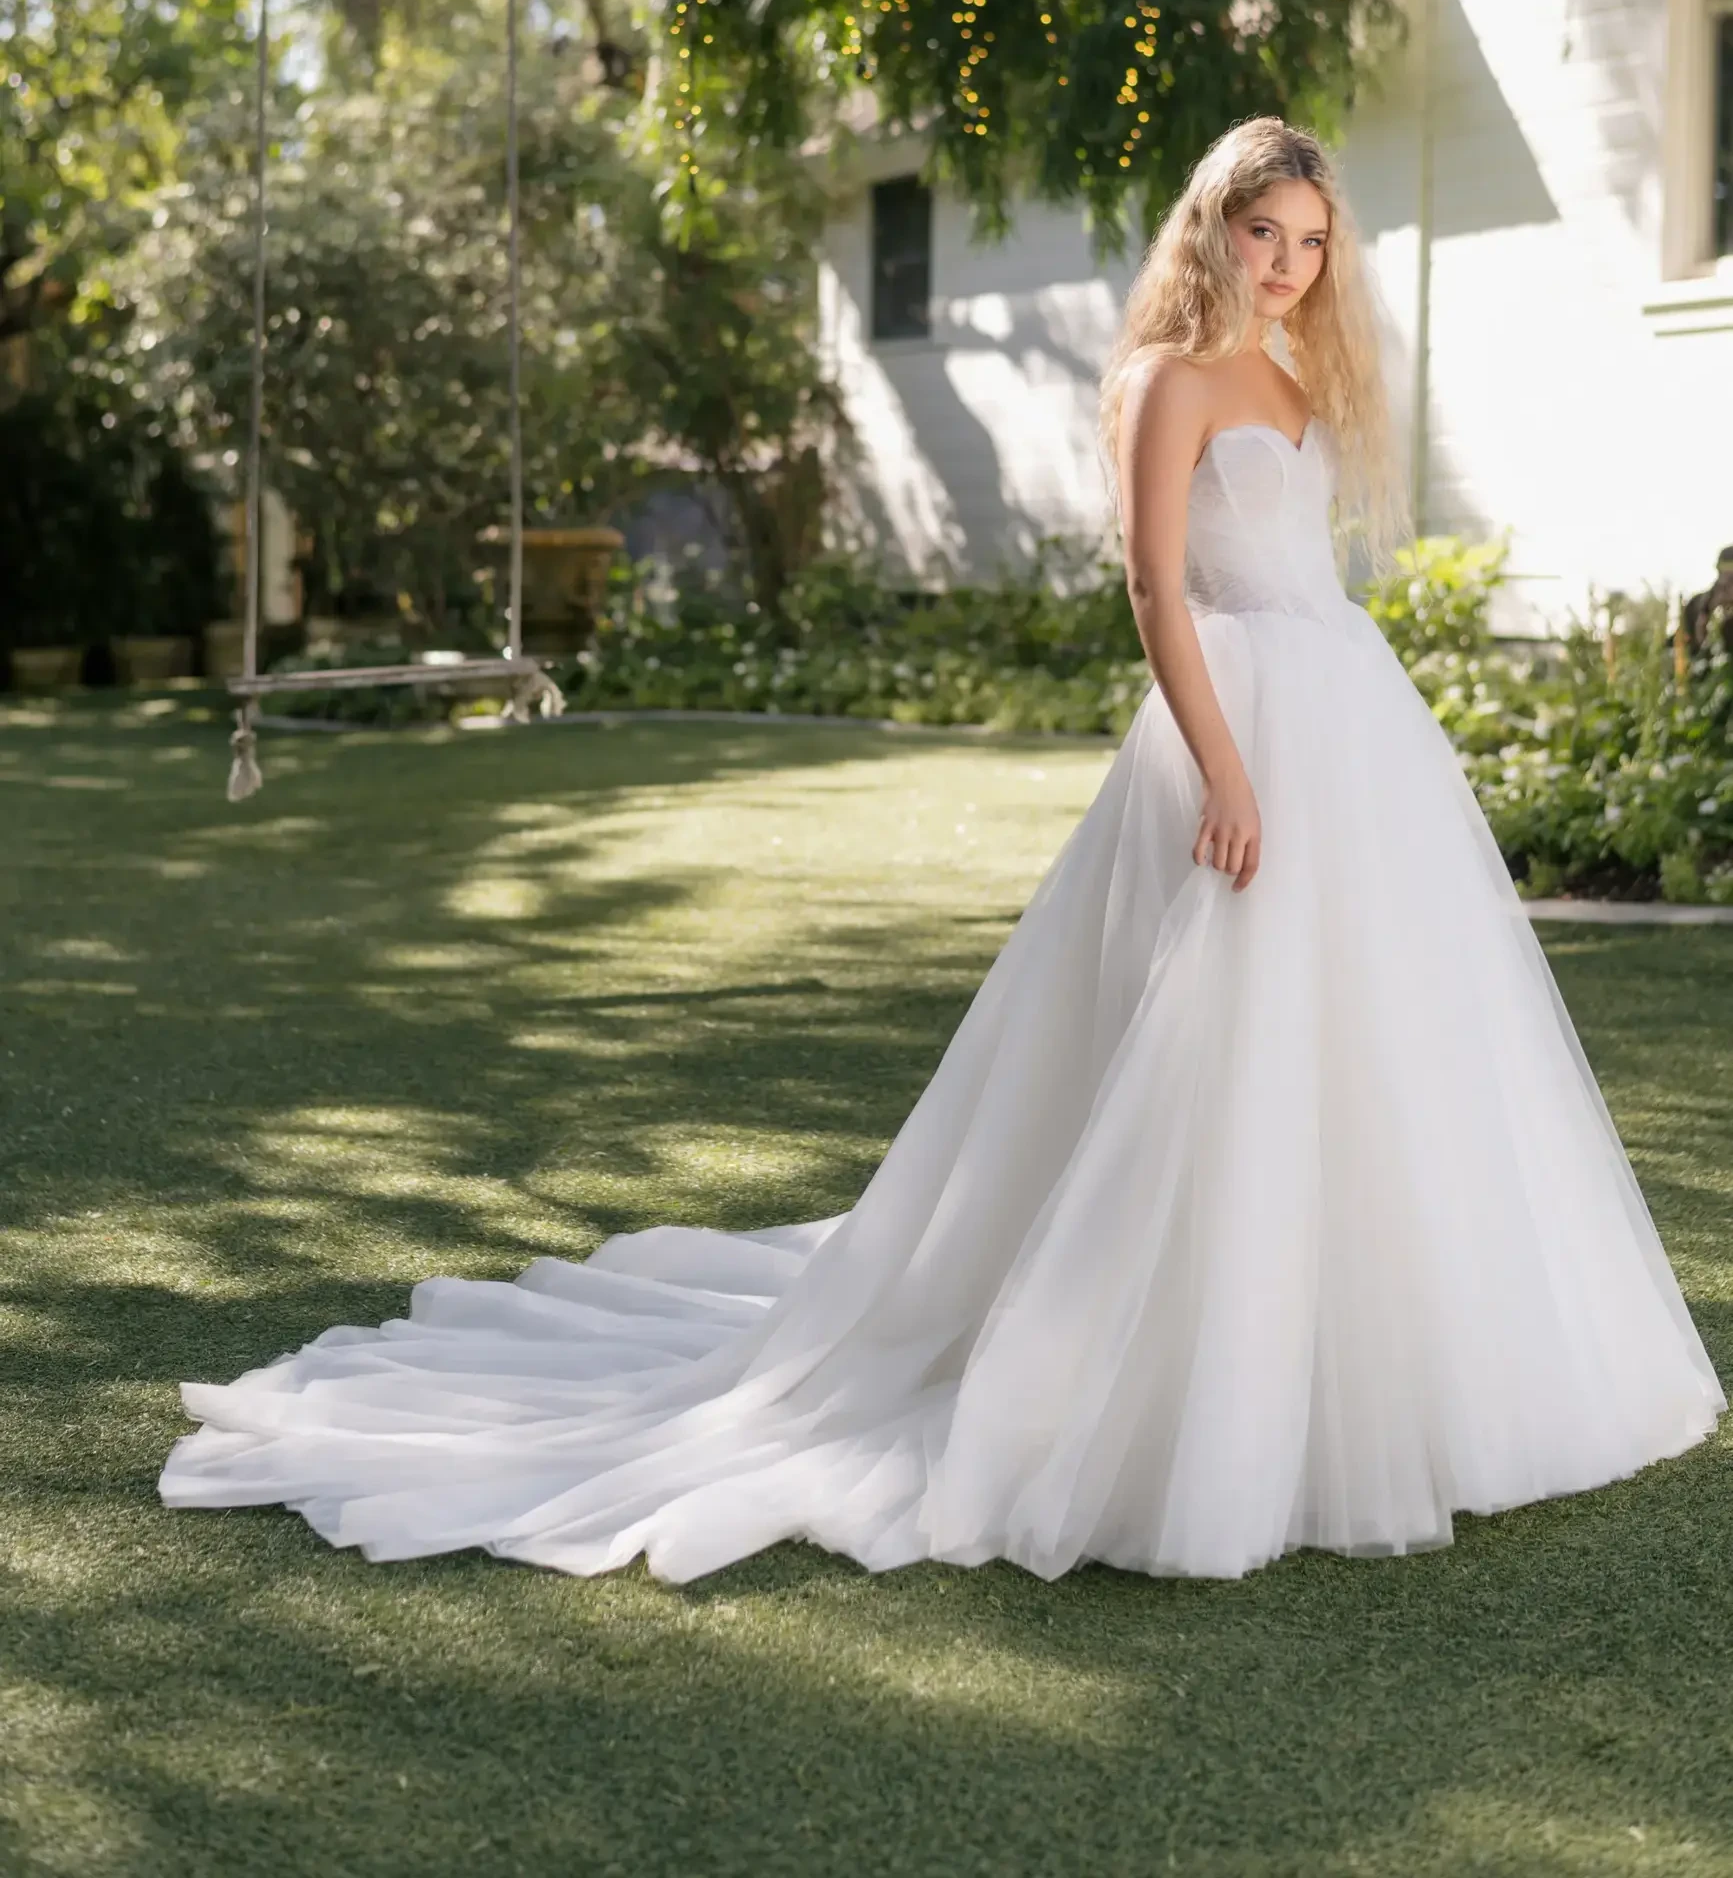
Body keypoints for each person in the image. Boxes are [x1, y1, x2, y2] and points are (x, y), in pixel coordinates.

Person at [161, 118, 1723, 1583]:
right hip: (1235, 726)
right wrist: (1225, 768)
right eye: (1266, 233)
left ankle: (1355, 1352)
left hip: (1352, 721)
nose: (1290, 266)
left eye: (1313, 241)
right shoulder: (1168, 381)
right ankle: (1153, 1363)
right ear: (1216, 229)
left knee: (1375, 1048)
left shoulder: (1297, 383)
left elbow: (1299, 564)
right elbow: (1158, 596)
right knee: (1204, 1049)